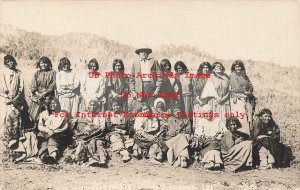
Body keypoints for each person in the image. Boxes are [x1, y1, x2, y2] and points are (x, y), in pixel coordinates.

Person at [0, 55, 25, 162]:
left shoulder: (18, 73)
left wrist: (15, 98)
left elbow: (21, 87)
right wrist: (6, 97)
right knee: (4, 122)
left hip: (15, 101)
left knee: (16, 123)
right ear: (5, 63)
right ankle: (4, 149)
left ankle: (16, 149)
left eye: (11, 61)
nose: (10, 63)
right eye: (8, 62)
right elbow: (2, 86)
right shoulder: (2, 72)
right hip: (4, 100)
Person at [70, 99, 107, 166]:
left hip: (98, 135)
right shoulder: (83, 115)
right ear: (88, 106)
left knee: (98, 143)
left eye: (94, 105)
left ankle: (102, 159)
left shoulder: (101, 115)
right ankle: (91, 158)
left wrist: (92, 127)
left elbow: (102, 127)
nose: (92, 107)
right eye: (91, 105)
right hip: (86, 135)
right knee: (88, 142)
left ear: (97, 107)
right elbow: (77, 125)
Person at [37, 98, 71, 164]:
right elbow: (40, 126)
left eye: (54, 103)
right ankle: (44, 157)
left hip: (58, 134)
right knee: (44, 144)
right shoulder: (44, 114)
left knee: (52, 140)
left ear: (58, 104)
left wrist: (55, 131)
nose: (53, 105)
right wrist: (47, 130)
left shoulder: (62, 114)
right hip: (46, 133)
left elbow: (65, 126)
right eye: (51, 103)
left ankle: (52, 156)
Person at [193, 104, 227, 170]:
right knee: (212, 144)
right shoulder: (201, 122)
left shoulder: (218, 120)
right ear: (203, 114)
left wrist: (219, 136)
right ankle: (216, 162)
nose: (208, 115)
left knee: (215, 145)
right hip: (206, 142)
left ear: (212, 113)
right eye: (206, 113)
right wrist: (204, 137)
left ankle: (211, 162)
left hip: (217, 140)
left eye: (210, 113)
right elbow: (198, 133)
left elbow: (225, 131)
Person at [229, 60, 256, 135]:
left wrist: (250, 91)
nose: (238, 68)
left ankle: (247, 133)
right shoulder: (233, 75)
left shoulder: (245, 76)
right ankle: (239, 133)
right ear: (234, 68)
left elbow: (251, 85)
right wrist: (245, 92)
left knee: (248, 117)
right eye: (236, 67)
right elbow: (236, 88)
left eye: (239, 67)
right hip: (238, 99)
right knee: (241, 116)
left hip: (246, 98)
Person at [165, 103, 193, 168]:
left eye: (178, 110)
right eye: (175, 111)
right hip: (173, 140)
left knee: (183, 137)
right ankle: (183, 159)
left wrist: (182, 134)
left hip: (183, 139)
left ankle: (182, 158)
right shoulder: (170, 119)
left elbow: (189, 131)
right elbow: (171, 133)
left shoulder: (186, 119)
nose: (176, 112)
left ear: (181, 110)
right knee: (182, 137)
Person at [29, 56, 56, 123]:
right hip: (37, 95)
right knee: (34, 111)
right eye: (41, 63)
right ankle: (36, 125)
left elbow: (53, 84)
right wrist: (37, 94)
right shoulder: (37, 73)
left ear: (49, 64)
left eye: (45, 63)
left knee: (48, 112)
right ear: (39, 64)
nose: (43, 65)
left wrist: (44, 93)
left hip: (48, 95)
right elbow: (33, 85)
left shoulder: (53, 72)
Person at [193, 62, 212, 129]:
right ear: (201, 69)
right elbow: (195, 91)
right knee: (199, 119)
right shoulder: (197, 78)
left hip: (208, 102)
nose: (206, 69)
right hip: (199, 102)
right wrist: (199, 101)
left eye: (207, 68)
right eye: (204, 68)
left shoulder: (211, 78)